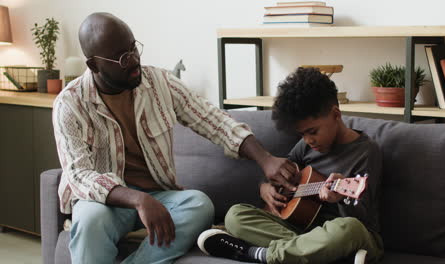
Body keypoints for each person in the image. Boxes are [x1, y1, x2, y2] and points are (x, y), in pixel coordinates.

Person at [52, 12, 298, 264]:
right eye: (122, 57)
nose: (134, 60)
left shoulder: (159, 83)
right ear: (94, 65)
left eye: (134, 48)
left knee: (199, 205)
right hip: (104, 203)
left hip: (158, 197)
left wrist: (265, 158)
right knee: (90, 219)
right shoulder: (70, 104)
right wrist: (138, 199)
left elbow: (213, 120)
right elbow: (80, 175)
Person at [197, 67, 384, 264]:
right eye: (302, 134)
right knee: (236, 215)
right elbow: (281, 177)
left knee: (348, 228)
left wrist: (339, 200)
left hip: (350, 235)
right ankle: (321, 256)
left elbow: (361, 216)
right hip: (303, 231)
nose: (308, 140)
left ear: (336, 114)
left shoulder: (366, 152)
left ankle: (257, 254)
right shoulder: (305, 146)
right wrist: (265, 187)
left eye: (312, 131)